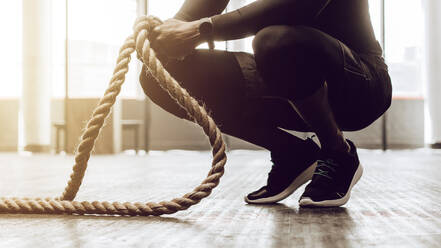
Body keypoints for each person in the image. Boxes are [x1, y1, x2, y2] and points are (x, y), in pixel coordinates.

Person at [140, 0, 392, 207]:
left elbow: (296, 7)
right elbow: (191, 16)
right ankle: (292, 153)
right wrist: (166, 38)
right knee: (158, 76)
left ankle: (338, 152)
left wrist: (201, 30)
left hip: (361, 87)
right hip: (288, 75)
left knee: (273, 41)